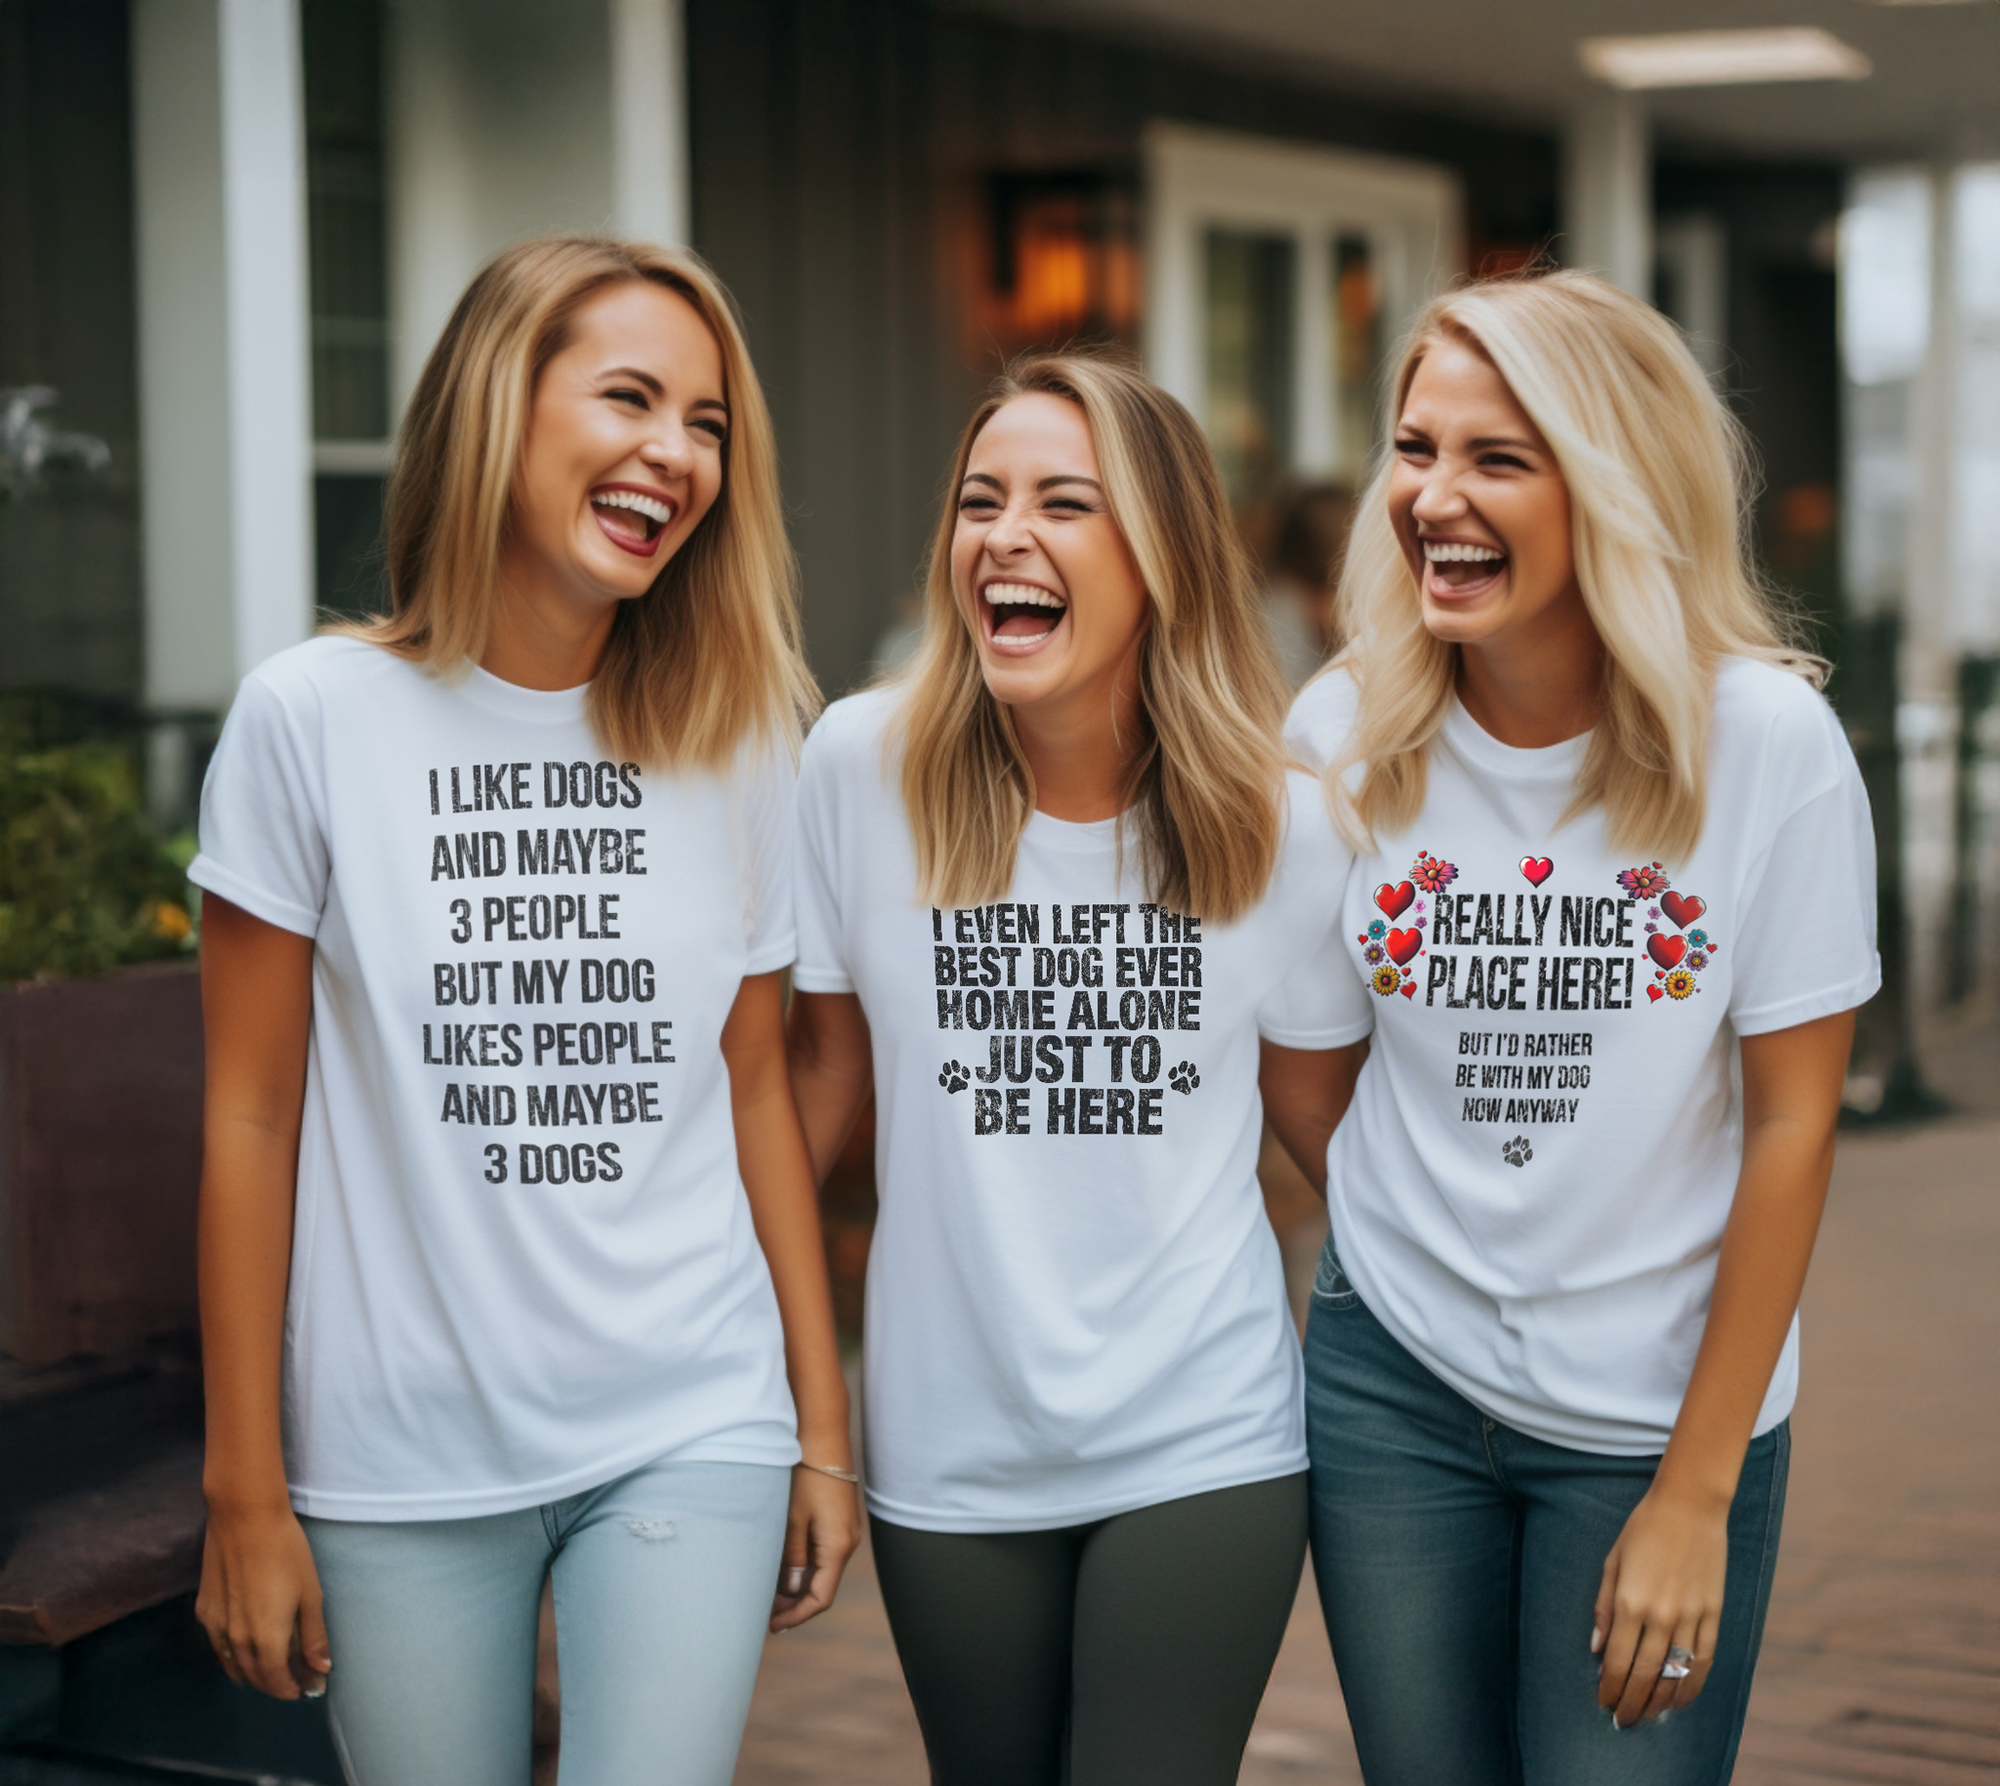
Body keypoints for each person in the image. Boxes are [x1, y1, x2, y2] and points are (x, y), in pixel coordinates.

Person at [189, 237, 858, 1786]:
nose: (675, 453)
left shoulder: (741, 731)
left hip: (689, 1406)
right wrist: (245, 1490)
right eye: (630, 397)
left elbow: (756, 1089)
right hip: (398, 1443)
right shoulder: (311, 720)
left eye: (706, 424)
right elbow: (250, 1114)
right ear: (500, 403)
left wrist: (820, 1424)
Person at [1283, 270, 1879, 1784]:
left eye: (1498, 457)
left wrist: (1697, 1489)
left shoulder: (1769, 747)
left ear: (1614, 483)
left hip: (1655, 1409)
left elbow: (1796, 1123)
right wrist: (1436, 1232)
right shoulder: (1343, 734)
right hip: (1390, 1393)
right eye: (1415, 449)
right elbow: (1309, 1072)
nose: (1434, 498)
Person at [784, 350, 1370, 1786]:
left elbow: (1331, 1123)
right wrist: (774, 1387)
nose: (1006, 534)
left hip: (1202, 1434)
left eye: (1063, 502)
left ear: (1162, 557)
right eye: (980, 500)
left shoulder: (1284, 827)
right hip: (946, 1439)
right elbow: (811, 1091)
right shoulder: (861, 768)